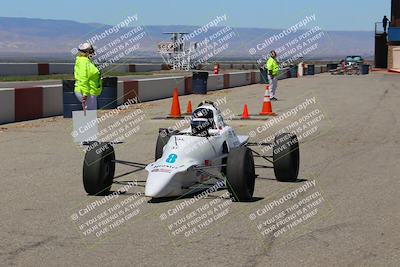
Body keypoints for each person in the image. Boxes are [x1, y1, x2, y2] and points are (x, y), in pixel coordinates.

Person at [74, 42, 102, 110]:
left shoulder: (85, 61)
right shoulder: (83, 62)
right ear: (87, 52)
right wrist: (85, 93)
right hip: (87, 92)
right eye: (91, 51)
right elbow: (83, 78)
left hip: (89, 91)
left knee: (89, 115)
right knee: (90, 116)